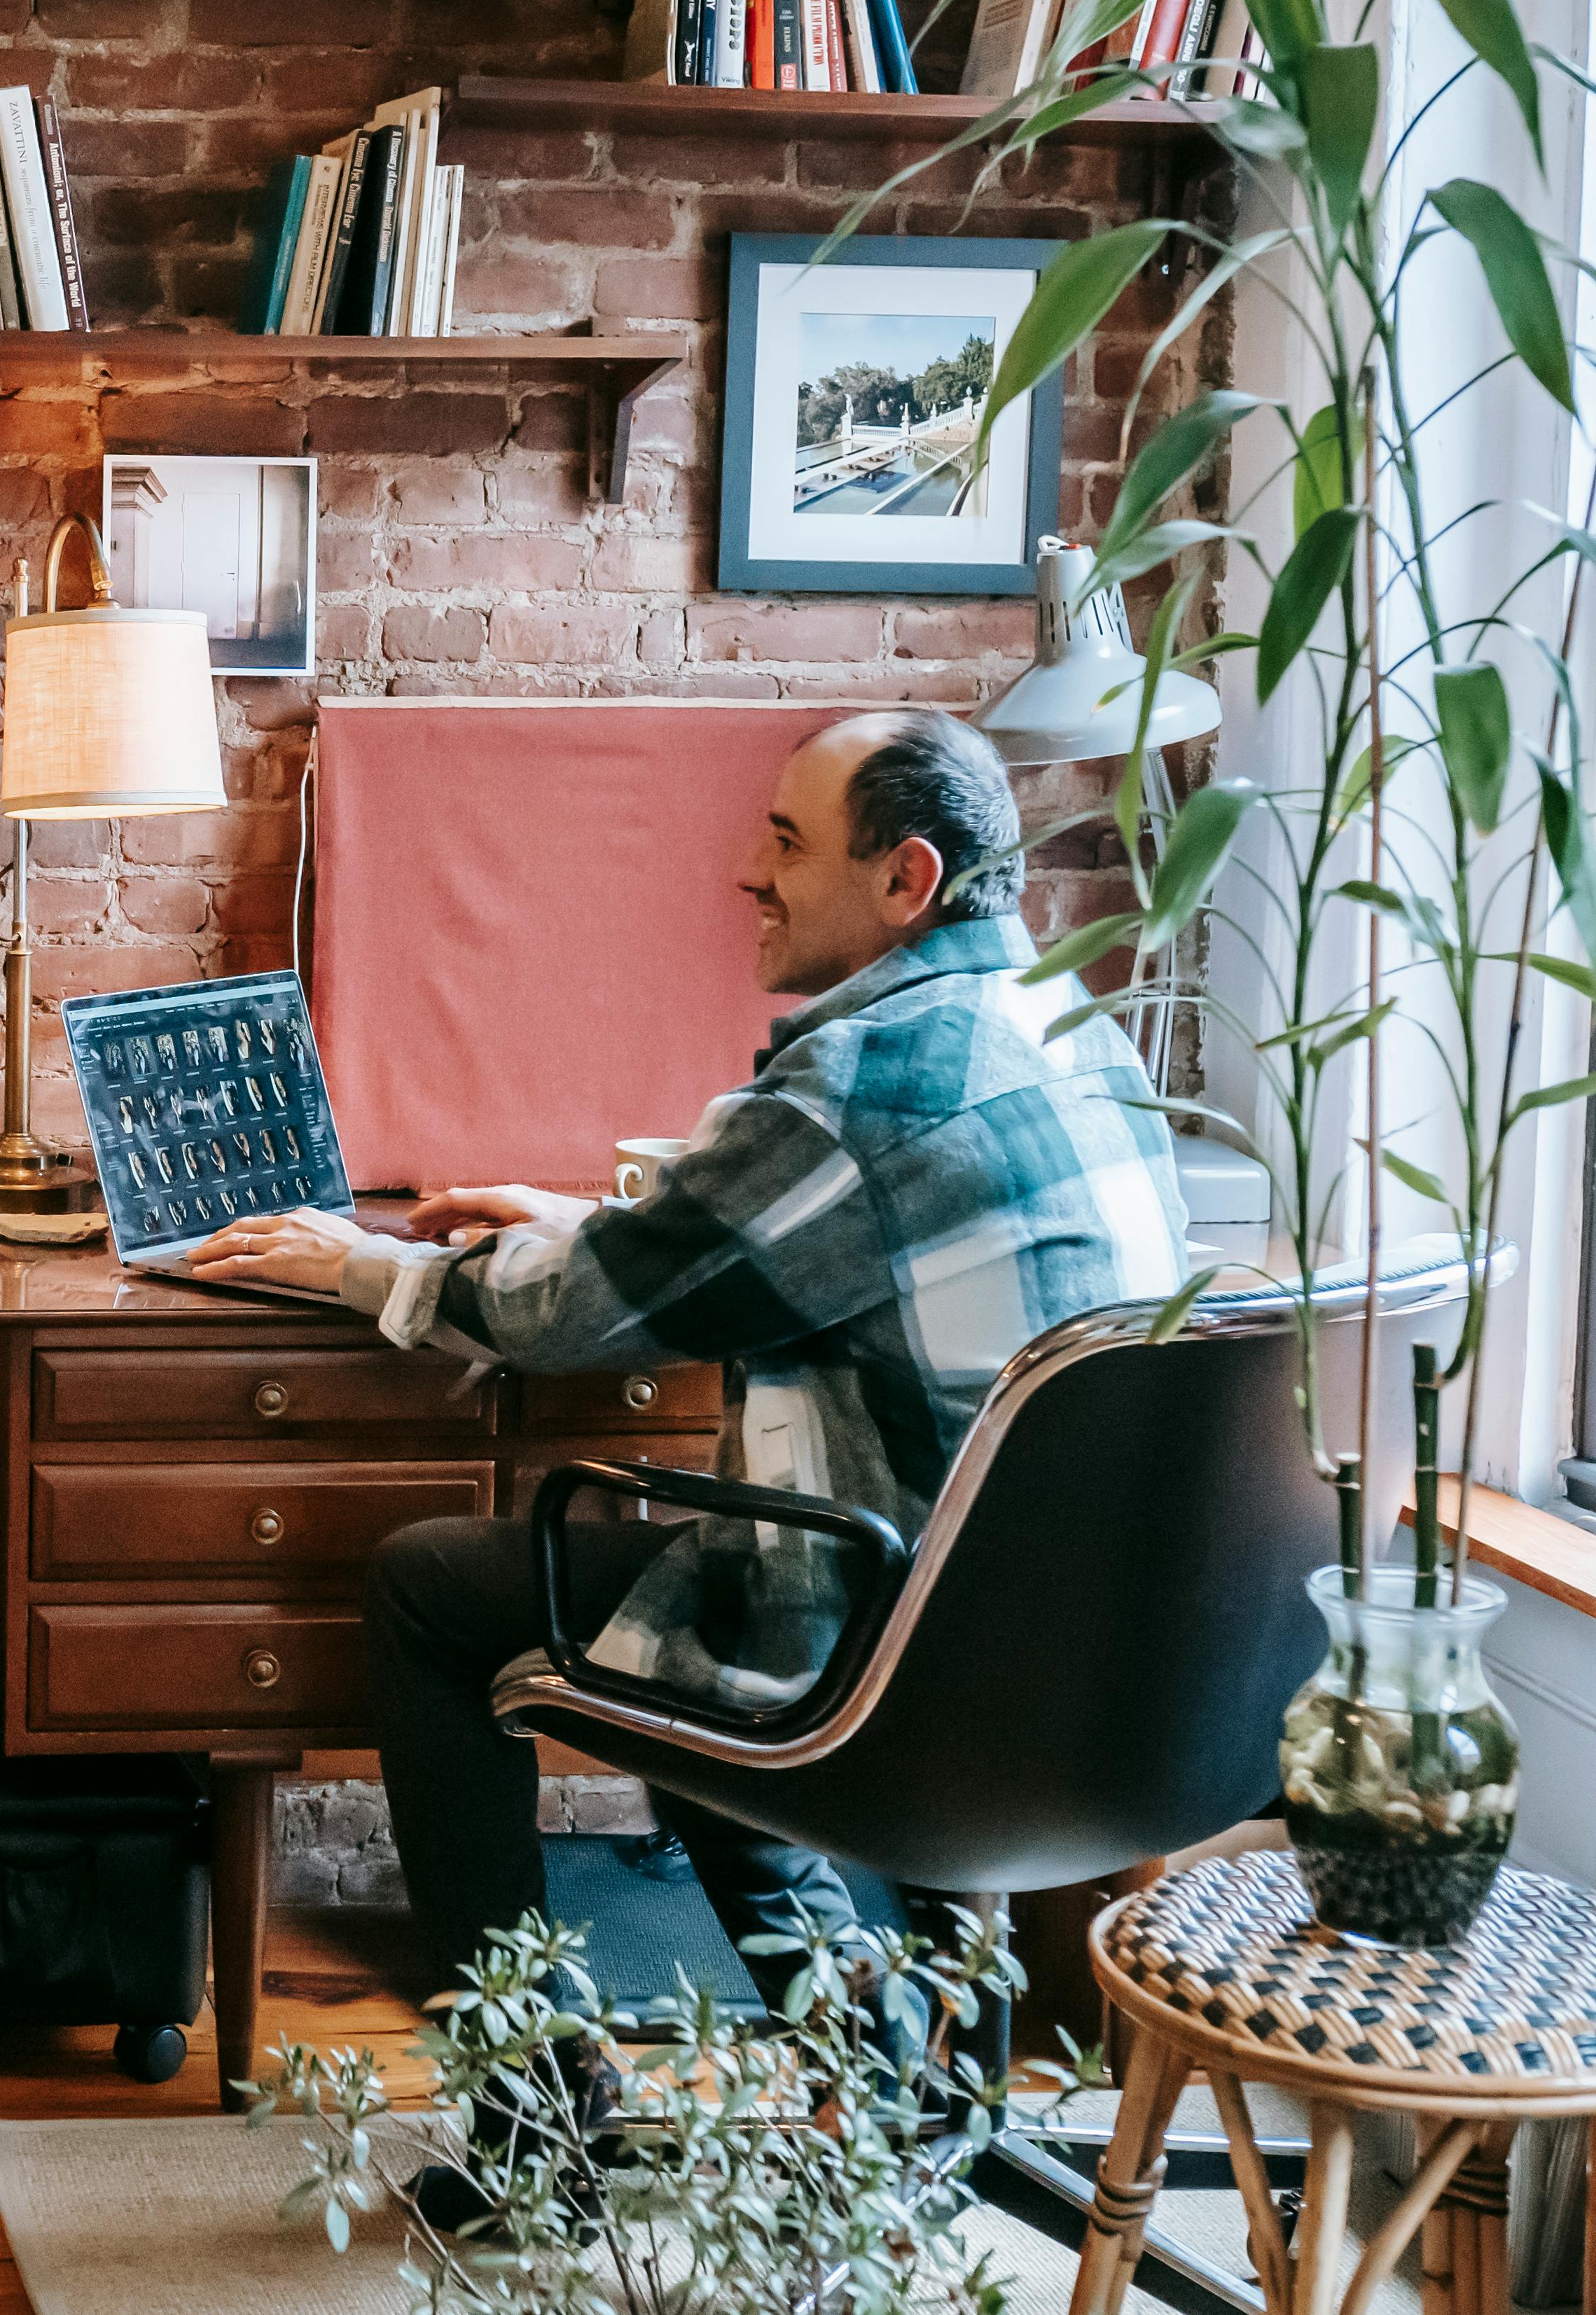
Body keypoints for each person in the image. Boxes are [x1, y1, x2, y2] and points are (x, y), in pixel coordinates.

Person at [186, 709, 1186, 2011]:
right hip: (1101, 1655)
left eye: (785, 841)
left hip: (909, 1661)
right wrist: (599, 1226)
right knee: (685, 1601)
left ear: (906, 879)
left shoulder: (871, 1077)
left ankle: (532, 2092)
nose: (749, 875)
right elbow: (837, 1242)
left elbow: (561, 1324)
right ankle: (870, 2043)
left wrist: (357, 1262)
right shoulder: (1076, 1034)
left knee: (443, 1589)